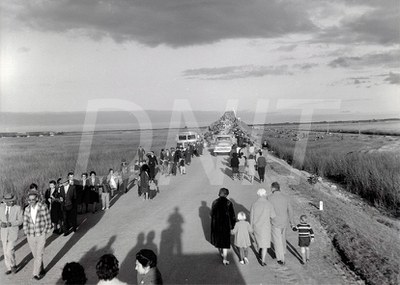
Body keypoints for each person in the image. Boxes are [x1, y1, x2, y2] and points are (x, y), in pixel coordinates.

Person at [23, 189, 52, 280]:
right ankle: (41, 268)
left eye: (33, 199)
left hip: (40, 234)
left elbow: (48, 220)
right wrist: (26, 232)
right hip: (30, 235)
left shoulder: (42, 207)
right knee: (35, 255)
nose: (31, 201)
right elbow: (25, 222)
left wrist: (45, 232)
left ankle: (36, 273)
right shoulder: (27, 209)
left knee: (39, 254)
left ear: (37, 199)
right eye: (29, 200)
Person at [268, 182, 294, 265]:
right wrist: (292, 222)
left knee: (277, 240)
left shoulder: (269, 198)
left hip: (275, 222)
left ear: (272, 188)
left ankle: (280, 258)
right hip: (284, 221)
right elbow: (290, 210)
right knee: (282, 238)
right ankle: (283, 251)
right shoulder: (286, 197)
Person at [250, 188, 276, 266]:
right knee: (265, 244)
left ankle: (259, 253)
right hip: (265, 227)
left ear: (258, 195)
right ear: (264, 194)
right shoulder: (269, 204)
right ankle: (263, 260)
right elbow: (273, 216)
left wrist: (251, 227)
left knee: (259, 242)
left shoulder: (254, 204)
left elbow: (251, 217)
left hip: (256, 227)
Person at [210, 188, 236, 265]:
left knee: (218, 239)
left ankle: (220, 251)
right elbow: (232, 216)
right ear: (226, 194)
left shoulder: (215, 202)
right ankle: (225, 259)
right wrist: (233, 226)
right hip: (225, 225)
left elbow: (212, 214)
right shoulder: (229, 203)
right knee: (225, 242)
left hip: (216, 225)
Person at [0, 192, 23, 275]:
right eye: (10, 201)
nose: (12, 202)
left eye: (13, 201)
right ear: (5, 201)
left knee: (10, 250)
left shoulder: (18, 208)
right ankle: (9, 268)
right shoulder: (1, 207)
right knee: (5, 251)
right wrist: (0, 223)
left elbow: (21, 221)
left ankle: (13, 265)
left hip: (13, 232)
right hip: (3, 233)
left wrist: (12, 223)